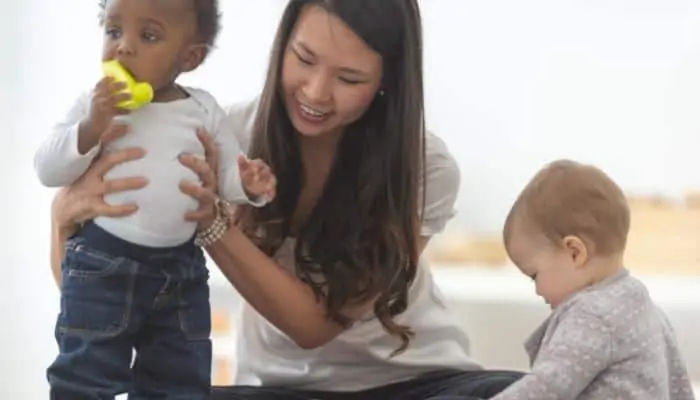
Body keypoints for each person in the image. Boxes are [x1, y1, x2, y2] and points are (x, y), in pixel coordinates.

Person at [49, 0, 525, 399]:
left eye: (350, 79)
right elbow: (100, 296)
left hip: (418, 383)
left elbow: (314, 327)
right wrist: (62, 219)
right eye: (303, 58)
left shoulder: (425, 167)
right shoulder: (220, 133)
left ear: (387, 81)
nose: (316, 92)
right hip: (275, 387)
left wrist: (211, 222)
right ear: (281, 47)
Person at [36, 0, 275, 398]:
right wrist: (92, 127)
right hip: (101, 264)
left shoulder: (202, 109)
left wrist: (249, 184)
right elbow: (47, 168)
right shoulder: (95, 106)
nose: (124, 47)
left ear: (190, 57)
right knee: (85, 377)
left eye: (147, 36)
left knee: (179, 379)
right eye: (114, 31)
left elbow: (226, 181)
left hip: (180, 271)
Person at [491, 160, 695, 400]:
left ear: (575, 252)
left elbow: (543, 389)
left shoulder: (591, 316)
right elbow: (679, 386)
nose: (537, 290)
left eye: (534, 275)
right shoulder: (647, 307)